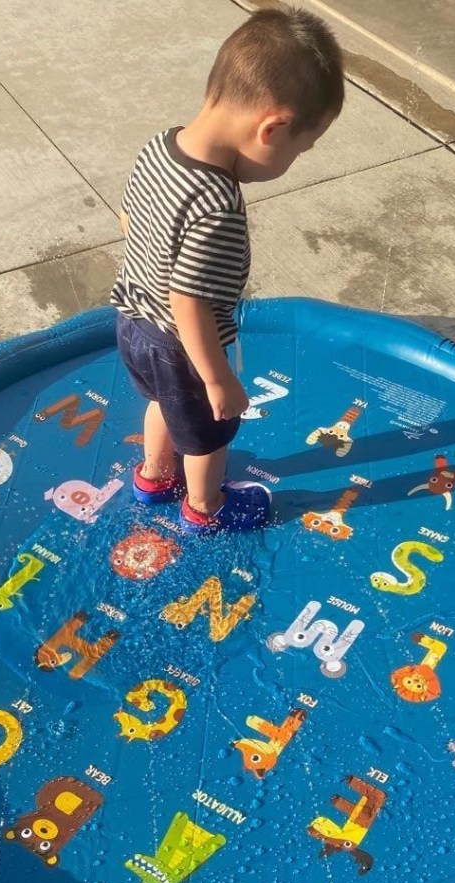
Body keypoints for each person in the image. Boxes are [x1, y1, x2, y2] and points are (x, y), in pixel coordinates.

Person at [110, 5, 344, 535]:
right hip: (182, 346)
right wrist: (218, 378)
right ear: (272, 128)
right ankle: (204, 507)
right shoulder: (217, 204)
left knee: (160, 406)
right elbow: (189, 301)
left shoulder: (162, 145)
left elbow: (130, 217)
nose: (293, 161)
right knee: (209, 436)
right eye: (300, 149)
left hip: (132, 323)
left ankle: (151, 479)